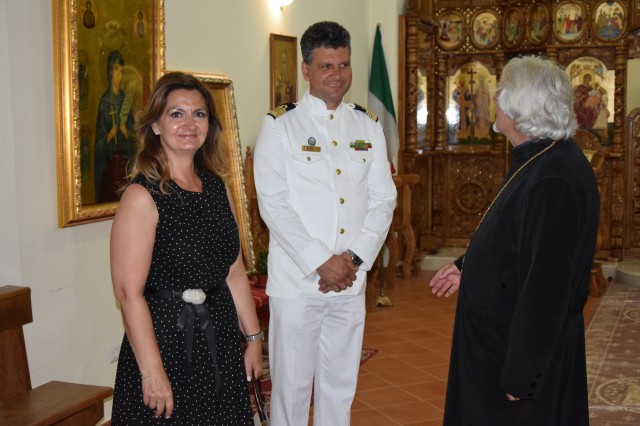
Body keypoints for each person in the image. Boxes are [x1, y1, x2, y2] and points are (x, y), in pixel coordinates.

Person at [429, 56, 600, 425]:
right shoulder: (538, 157)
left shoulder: (553, 175)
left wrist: (523, 372)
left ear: (522, 105)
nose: (495, 97)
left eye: (502, 89)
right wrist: (468, 265)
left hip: (516, 352)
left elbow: (548, 283)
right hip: (498, 340)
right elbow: (516, 238)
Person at [253, 21, 396, 426]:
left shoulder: (367, 124)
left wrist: (353, 259)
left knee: (340, 387)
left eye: (344, 65)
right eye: (326, 66)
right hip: (299, 283)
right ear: (306, 69)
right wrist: (321, 261)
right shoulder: (280, 125)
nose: (337, 74)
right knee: (292, 390)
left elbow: (384, 199)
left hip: (349, 281)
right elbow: (274, 204)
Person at [110, 72, 262, 424]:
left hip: (220, 338)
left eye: (199, 114)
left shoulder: (217, 188)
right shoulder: (141, 196)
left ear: (210, 125)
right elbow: (128, 293)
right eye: (176, 114)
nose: (190, 124)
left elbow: (234, 271)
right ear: (156, 125)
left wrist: (254, 338)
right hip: (164, 342)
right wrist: (152, 372)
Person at [94, 50, 136, 203]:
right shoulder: (104, 103)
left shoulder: (126, 100)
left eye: (122, 71)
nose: (119, 75)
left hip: (124, 164)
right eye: (116, 69)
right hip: (110, 166)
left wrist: (126, 132)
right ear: (110, 71)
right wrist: (110, 135)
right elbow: (98, 144)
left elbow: (135, 136)